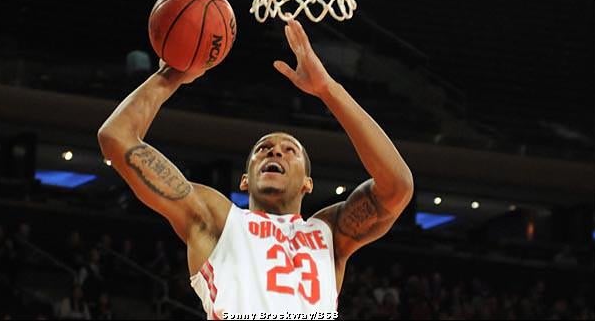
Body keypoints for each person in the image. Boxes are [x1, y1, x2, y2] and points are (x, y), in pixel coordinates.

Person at [98, 18, 414, 319]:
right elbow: (116, 138)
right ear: (245, 180)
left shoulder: (328, 233)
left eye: (290, 150)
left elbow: (397, 187)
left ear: (307, 183)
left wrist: (327, 89)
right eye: (262, 149)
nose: (275, 150)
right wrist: (171, 75)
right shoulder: (218, 219)